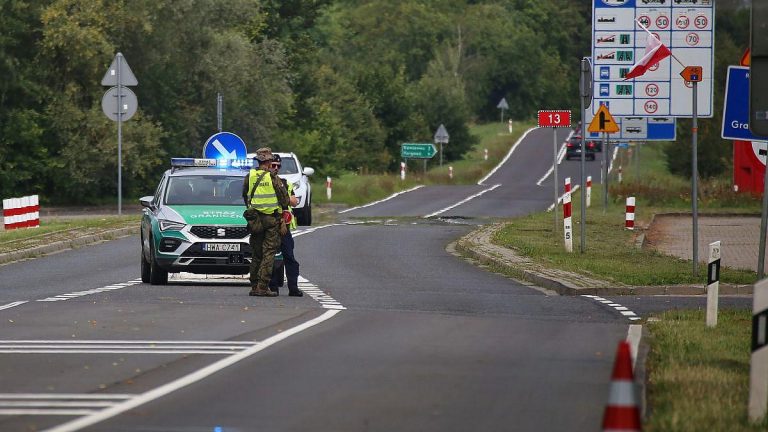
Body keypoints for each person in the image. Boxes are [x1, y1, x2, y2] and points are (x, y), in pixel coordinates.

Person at [242, 147, 290, 297]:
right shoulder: (272, 177)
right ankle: (263, 287)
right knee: (268, 253)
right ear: (269, 161)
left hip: (255, 220)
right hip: (270, 220)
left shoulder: (250, 176)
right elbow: (285, 200)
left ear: (258, 161)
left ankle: (254, 286)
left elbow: (245, 196)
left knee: (256, 254)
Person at [268, 154, 303, 296]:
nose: (276, 168)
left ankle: (293, 287)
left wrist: (284, 198)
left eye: (278, 166)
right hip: (269, 225)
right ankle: (272, 287)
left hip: (284, 226)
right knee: (270, 257)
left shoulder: (285, 182)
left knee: (289, 256)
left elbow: (294, 201)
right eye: (273, 165)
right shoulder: (264, 183)